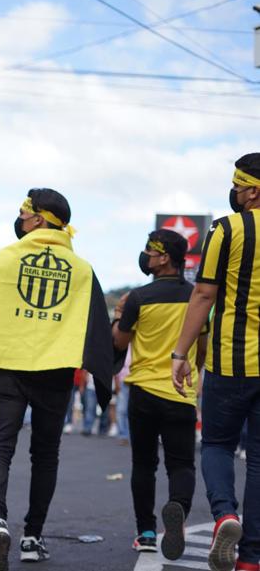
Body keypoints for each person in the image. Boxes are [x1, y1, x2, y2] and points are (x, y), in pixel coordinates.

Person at [0, 188, 113, 570]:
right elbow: (96, 324)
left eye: (24, 213)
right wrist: (103, 381)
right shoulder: (81, 269)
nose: (20, 219)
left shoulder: (5, 257)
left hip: (8, 365)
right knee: (45, 454)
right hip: (55, 370)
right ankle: (32, 537)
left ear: (40, 219)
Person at [172, 153, 260, 571]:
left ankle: (225, 513)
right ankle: (251, 559)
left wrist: (181, 352)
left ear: (252, 190)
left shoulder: (227, 229)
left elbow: (203, 294)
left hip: (232, 359)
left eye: (238, 184)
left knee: (218, 444)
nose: (235, 192)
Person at [112, 229, 204, 559]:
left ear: (164, 257)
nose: (145, 257)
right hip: (180, 392)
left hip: (143, 392)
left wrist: (119, 315)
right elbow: (203, 347)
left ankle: (147, 532)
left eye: (150, 252)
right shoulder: (197, 296)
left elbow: (119, 343)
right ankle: (177, 508)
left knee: (144, 464)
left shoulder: (138, 297)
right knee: (181, 465)